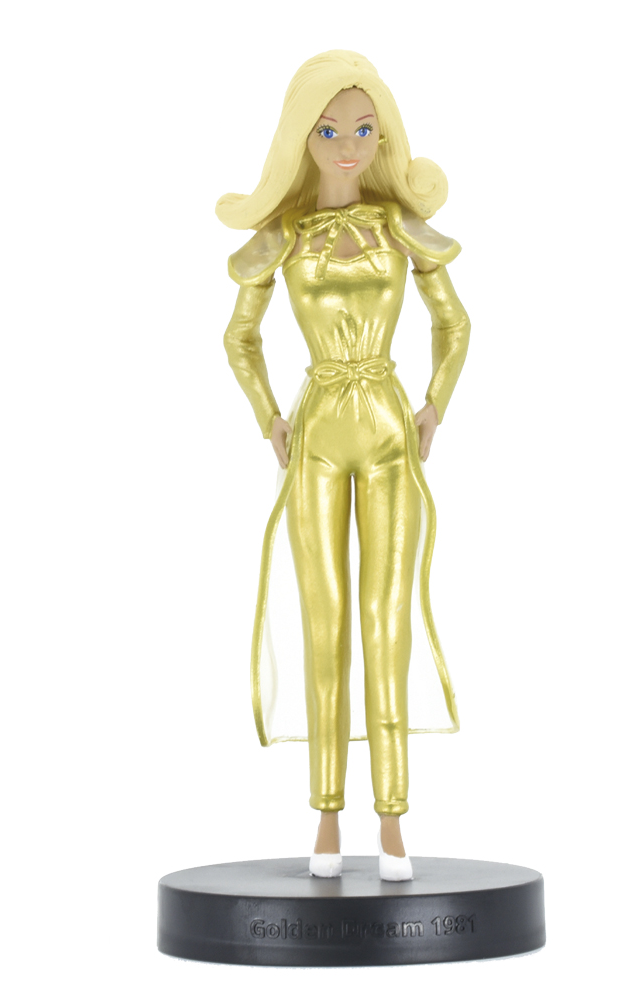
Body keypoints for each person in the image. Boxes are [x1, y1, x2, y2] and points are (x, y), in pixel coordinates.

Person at [218, 51, 470, 881]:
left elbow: (455, 323)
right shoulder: (283, 238)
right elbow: (240, 337)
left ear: (383, 136)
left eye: (364, 130)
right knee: (323, 622)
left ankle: (392, 819)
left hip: (390, 428)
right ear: (303, 137)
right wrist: (269, 418)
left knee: (385, 620)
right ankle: (326, 817)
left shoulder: (399, 228)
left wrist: (434, 404)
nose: (349, 145)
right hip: (318, 430)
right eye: (328, 132)